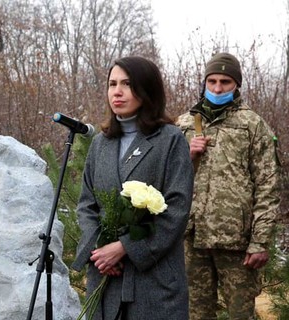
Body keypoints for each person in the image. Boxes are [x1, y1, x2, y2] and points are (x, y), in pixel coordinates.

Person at [71, 56, 194, 319]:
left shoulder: (170, 140)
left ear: (147, 89)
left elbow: (177, 210)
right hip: (106, 279)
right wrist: (101, 252)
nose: (117, 91)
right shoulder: (100, 143)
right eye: (112, 83)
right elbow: (86, 205)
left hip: (153, 282)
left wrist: (125, 248)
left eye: (127, 84)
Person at [176, 52, 280, 319]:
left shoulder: (252, 124)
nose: (217, 88)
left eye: (225, 82)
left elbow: (268, 185)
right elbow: (168, 178)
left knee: (240, 314)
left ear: (237, 85)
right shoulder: (185, 123)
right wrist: (187, 155)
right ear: (204, 83)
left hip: (237, 242)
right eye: (212, 81)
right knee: (195, 314)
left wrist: (260, 241)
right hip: (192, 237)